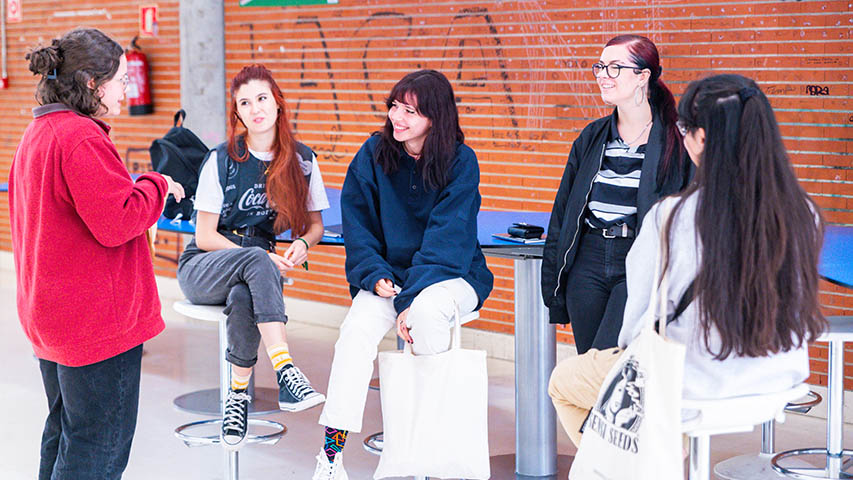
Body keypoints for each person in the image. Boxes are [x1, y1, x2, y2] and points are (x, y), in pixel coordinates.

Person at [547, 73, 827, 451]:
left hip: (690, 382)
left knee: (563, 381)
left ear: (704, 139)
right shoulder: (803, 212)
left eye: (685, 129)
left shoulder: (672, 216)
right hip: (778, 380)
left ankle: (631, 467)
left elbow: (638, 322)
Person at [9, 28, 184, 479]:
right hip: (94, 325)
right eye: (121, 81)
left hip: (54, 319)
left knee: (66, 434)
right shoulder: (81, 138)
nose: (127, 91)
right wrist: (157, 184)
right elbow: (119, 221)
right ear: (92, 84)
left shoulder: (37, 133)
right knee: (98, 450)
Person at [312, 69, 494, 480]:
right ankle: (330, 456)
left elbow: (447, 239)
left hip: (453, 275)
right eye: (395, 105)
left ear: (435, 117)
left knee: (427, 317)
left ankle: (427, 452)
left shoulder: (460, 161)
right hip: (389, 276)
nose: (398, 116)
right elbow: (356, 226)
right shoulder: (374, 153)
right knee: (356, 332)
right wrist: (373, 274)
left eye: (410, 110)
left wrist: (410, 301)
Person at [176, 64, 328, 450]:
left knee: (246, 294)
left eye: (262, 98)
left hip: (252, 273)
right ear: (237, 113)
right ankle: (285, 371)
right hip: (204, 267)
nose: (255, 108)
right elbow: (205, 236)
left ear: (277, 104)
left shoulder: (303, 161)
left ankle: (237, 398)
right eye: (245, 102)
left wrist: (304, 245)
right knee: (258, 258)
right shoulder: (223, 159)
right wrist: (255, 257)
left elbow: (315, 227)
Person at [541, 35, 692, 355]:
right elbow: (563, 213)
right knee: (589, 363)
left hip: (640, 260)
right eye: (600, 67)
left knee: (610, 366)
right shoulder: (593, 136)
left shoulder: (677, 140)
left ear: (643, 76)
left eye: (614, 68)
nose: (602, 76)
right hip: (588, 262)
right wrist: (554, 288)